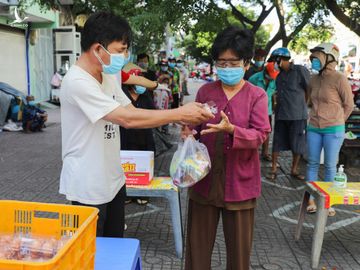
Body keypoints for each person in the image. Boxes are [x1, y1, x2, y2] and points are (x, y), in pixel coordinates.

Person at [59, 11, 213, 238]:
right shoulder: (77, 81)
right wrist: (178, 112)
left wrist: (177, 116)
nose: (125, 55)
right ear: (98, 49)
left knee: (114, 246)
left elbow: (131, 111)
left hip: (113, 179)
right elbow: (126, 119)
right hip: (87, 185)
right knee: (90, 255)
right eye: (120, 50)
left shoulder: (107, 75)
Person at [182, 26, 270, 270]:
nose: (227, 68)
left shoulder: (257, 95)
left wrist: (233, 131)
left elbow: (261, 134)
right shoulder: (206, 90)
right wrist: (188, 131)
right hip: (204, 181)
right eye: (221, 62)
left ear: (246, 63)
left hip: (240, 185)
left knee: (239, 256)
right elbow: (195, 128)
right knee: (197, 253)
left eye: (233, 63)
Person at [306, 43, 354, 216]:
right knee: (312, 163)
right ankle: (310, 200)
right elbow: (309, 101)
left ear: (330, 58)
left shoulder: (339, 78)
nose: (314, 60)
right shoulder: (313, 79)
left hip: (333, 129)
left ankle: (328, 202)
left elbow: (349, 104)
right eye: (313, 57)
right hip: (313, 127)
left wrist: (338, 121)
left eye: (318, 56)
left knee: (329, 166)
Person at [266, 47, 310, 182]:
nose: (273, 64)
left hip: (298, 115)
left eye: (274, 61)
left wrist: (303, 106)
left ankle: (294, 169)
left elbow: (309, 89)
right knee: (277, 143)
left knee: (297, 144)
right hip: (281, 114)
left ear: (280, 59)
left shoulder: (300, 70)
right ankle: (273, 169)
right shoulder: (279, 76)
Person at [120, 65, 155, 205]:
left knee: (143, 167)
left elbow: (153, 113)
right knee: (126, 166)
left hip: (144, 137)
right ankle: (127, 194)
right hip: (126, 136)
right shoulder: (122, 95)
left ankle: (144, 194)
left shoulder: (146, 96)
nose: (140, 86)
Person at [249, 61, 279, 161]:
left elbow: (274, 93)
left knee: (267, 131)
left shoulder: (274, 80)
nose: (271, 78)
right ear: (265, 72)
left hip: (268, 111)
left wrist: (275, 104)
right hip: (253, 111)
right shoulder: (254, 78)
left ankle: (265, 153)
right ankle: (253, 152)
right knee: (253, 131)